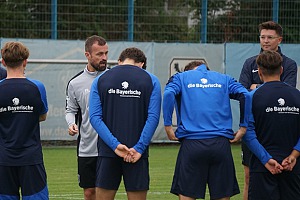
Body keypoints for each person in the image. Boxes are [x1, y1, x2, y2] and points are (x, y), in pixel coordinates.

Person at [163, 61, 249, 200]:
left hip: (192, 144)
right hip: (220, 144)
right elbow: (246, 95)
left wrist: (168, 126)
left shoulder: (181, 77)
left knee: (187, 195)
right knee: (221, 195)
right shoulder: (224, 78)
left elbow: (168, 94)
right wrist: (243, 127)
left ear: (188, 71)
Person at [89, 47, 161, 200]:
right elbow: (153, 118)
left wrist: (115, 146)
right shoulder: (151, 80)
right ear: (142, 64)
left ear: (119, 61)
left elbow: (95, 118)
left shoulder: (100, 79)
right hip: (137, 155)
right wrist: (139, 148)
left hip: (108, 152)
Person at [238, 21, 298, 200]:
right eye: (262, 37)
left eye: (270, 37)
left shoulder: (289, 64)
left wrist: (256, 87)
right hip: (258, 128)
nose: (265, 41)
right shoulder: (250, 63)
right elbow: (242, 91)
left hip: (282, 129)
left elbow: (285, 88)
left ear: (279, 40)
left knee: (287, 178)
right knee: (249, 178)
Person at [0, 41, 48, 199]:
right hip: (31, 159)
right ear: (25, 61)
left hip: (3, 159)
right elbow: (42, 116)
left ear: (3, 62)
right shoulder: (37, 87)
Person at [65, 35, 108, 200]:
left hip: (110, 147)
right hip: (87, 147)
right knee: (89, 192)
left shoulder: (113, 78)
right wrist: (71, 124)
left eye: (106, 53)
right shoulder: (75, 83)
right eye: (99, 54)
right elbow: (70, 110)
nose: (104, 58)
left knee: (106, 192)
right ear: (87, 55)